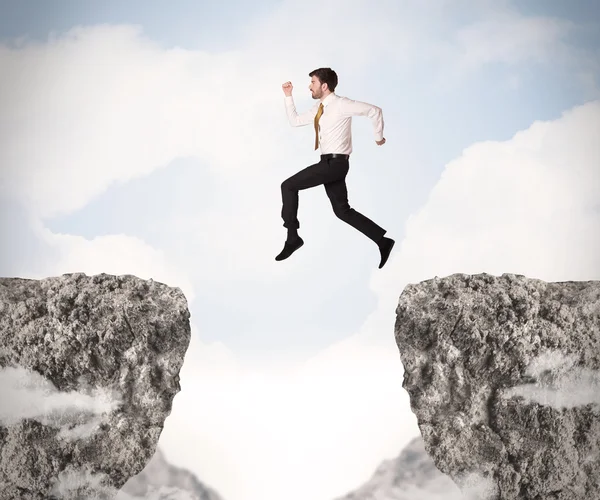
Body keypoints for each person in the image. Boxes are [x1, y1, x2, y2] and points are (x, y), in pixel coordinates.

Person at [276, 67, 395, 269]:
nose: (309, 86)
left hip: (336, 164)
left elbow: (374, 111)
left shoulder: (342, 104)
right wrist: (288, 96)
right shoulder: (318, 108)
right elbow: (295, 121)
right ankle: (383, 241)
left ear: (324, 85)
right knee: (342, 211)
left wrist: (378, 138)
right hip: (327, 163)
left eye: (312, 82)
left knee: (288, 186)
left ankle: (292, 237)